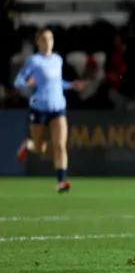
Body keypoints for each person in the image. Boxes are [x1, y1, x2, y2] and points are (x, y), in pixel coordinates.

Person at [14, 29, 87, 192]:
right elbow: (18, 81)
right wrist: (28, 83)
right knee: (40, 148)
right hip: (39, 107)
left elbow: (57, 82)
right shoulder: (34, 61)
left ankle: (61, 181)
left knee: (60, 144)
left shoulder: (57, 60)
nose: (48, 42)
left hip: (58, 107)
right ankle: (29, 144)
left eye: (50, 39)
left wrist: (72, 85)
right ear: (38, 42)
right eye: (44, 39)